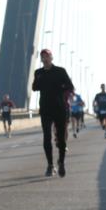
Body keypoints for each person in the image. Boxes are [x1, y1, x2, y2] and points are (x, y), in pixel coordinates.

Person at [31, 48, 74, 177]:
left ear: (51, 58)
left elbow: (69, 86)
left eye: (47, 56)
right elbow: (34, 87)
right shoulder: (38, 72)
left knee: (61, 138)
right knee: (47, 137)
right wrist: (41, 83)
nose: (45, 58)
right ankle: (50, 165)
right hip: (45, 109)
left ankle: (61, 162)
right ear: (41, 59)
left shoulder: (60, 71)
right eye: (42, 57)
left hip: (59, 108)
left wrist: (59, 87)